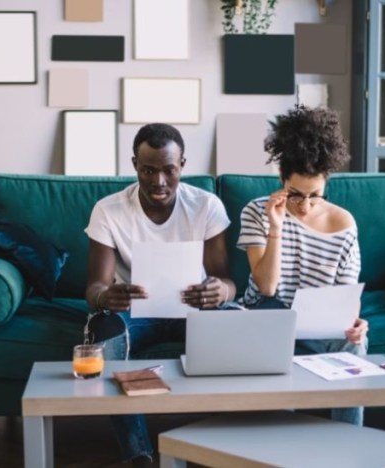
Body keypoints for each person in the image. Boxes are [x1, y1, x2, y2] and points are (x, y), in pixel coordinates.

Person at [83, 123, 236, 464]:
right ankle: (138, 455)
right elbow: (94, 287)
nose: (159, 181)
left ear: (182, 164)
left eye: (169, 170)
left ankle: (223, 448)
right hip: (134, 312)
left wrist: (220, 291)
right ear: (134, 164)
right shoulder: (109, 210)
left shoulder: (206, 205)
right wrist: (107, 297)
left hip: (193, 308)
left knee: (234, 323)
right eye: (148, 170)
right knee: (103, 330)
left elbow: (227, 280)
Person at [236, 105, 369, 426]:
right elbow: (266, 287)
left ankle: (346, 443)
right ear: (282, 179)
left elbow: (347, 297)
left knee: (355, 342)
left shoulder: (344, 223)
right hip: (267, 313)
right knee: (268, 334)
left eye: (316, 196)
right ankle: (281, 448)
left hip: (319, 323)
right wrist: (276, 226)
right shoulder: (256, 212)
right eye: (295, 194)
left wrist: (355, 322)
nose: (306, 206)